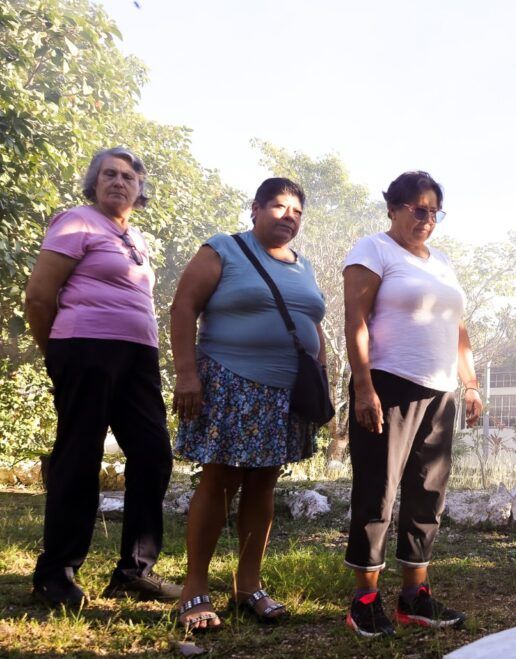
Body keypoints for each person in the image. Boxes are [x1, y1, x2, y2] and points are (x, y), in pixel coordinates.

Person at [23, 147, 181, 609]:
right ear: (94, 182)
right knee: (80, 455)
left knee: (153, 453)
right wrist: (57, 354)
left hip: (138, 355)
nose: (118, 181)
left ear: (140, 189)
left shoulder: (136, 238)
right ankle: (56, 574)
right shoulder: (76, 222)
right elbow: (38, 297)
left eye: (129, 177)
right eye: (109, 174)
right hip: (84, 348)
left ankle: (134, 572)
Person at [169, 177, 326, 630]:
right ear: (255, 209)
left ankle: (248, 584)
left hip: (286, 392)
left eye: (297, 211)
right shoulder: (223, 249)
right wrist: (186, 374)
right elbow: (183, 307)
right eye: (278, 206)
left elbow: (311, 323)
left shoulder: (304, 266)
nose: (289, 217)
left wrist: (322, 379)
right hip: (230, 381)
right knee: (221, 479)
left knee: (264, 483)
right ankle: (195, 587)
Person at [342, 170, 482, 638]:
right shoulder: (373, 250)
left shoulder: (442, 262)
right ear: (393, 208)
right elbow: (355, 320)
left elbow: (457, 327)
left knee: (427, 493)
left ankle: (413, 596)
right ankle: (364, 600)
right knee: (377, 491)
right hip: (389, 385)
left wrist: (471, 383)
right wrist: (364, 387)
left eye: (435, 212)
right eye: (418, 209)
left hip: (440, 391)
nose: (427, 219)